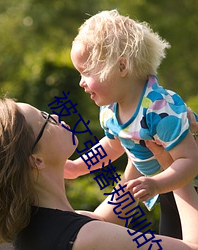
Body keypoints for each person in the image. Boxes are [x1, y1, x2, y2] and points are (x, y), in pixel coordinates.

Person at [0, 98, 198, 250]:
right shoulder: (86, 237)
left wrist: (140, 135)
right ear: (36, 160)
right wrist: (175, 165)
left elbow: (102, 218)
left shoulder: (28, 233)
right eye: (45, 120)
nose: (55, 116)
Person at [68, 9, 198, 238]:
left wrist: (156, 184)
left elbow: (190, 160)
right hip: (166, 186)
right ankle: (94, 222)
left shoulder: (159, 109)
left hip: (187, 186)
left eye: (86, 72)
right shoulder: (110, 110)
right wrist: (78, 166)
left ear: (121, 67)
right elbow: (113, 146)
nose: (81, 82)